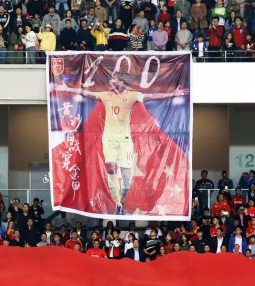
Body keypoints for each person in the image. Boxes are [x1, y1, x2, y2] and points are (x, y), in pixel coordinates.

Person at [51, 72, 188, 214]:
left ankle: (122, 199)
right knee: (111, 168)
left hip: (125, 140)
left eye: (113, 80)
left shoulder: (133, 95)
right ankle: (117, 203)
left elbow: (152, 96)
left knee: (127, 177)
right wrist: (67, 89)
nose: (110, 82)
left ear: (121, 82)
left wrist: (173, 93)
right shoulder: (105, 95)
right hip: (108, 138)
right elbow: (85, 93)